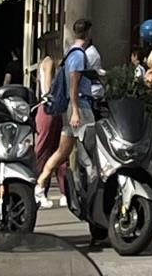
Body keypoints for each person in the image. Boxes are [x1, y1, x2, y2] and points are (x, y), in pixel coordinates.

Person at [37, 20, 101, 210]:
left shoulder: (70, 54)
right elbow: (74, 82)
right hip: (81, 106)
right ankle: (92, 183)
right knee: (90, 145)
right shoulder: (79, 55)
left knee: (64, 151)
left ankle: (41, 183)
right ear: (88, 33)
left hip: (74, 107)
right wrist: (76, 109)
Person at [32, 31, 63, 203]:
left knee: (53, 149)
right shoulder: (50, 62)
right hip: (49, 108)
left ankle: (45, 188)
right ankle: (39, 187)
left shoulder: (44, 62)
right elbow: (48, 88)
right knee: (47, 149)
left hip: (48, 108)